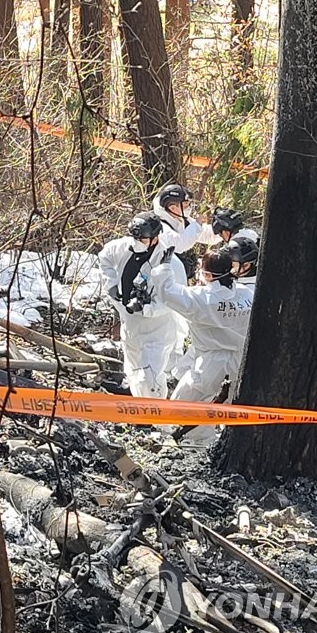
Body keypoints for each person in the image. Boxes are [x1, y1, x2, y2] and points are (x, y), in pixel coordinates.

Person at [148, 248, 254, 441]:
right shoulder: (246, 294)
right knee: (231, 402)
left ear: (207, 274)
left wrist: (163, 268)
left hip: (211, 361)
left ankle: (197, 444)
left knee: (187, 402)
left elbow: (168, 292)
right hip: (243, 359)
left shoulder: (201, 298)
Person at [98, 212, 188, 399]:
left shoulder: (171, 264)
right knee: (134, 370)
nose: (139, 242)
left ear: (155, 238)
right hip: (130, 323)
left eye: (144, 239)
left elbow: (176, 300)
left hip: (158, 329)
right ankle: (139, 412)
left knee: (151, 374)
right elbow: (104, 257)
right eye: (136, 238)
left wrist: (148, 307)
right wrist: (112, 284)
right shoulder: (123, 247)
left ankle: (154, 414)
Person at [152, 184, 221, 255]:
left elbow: (207, 236)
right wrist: (197, 225)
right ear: (173, 208)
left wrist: (222, 228)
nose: (189, 208)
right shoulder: (160, 227)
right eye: (185, 205)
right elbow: (180, 244)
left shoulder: (182, 220)